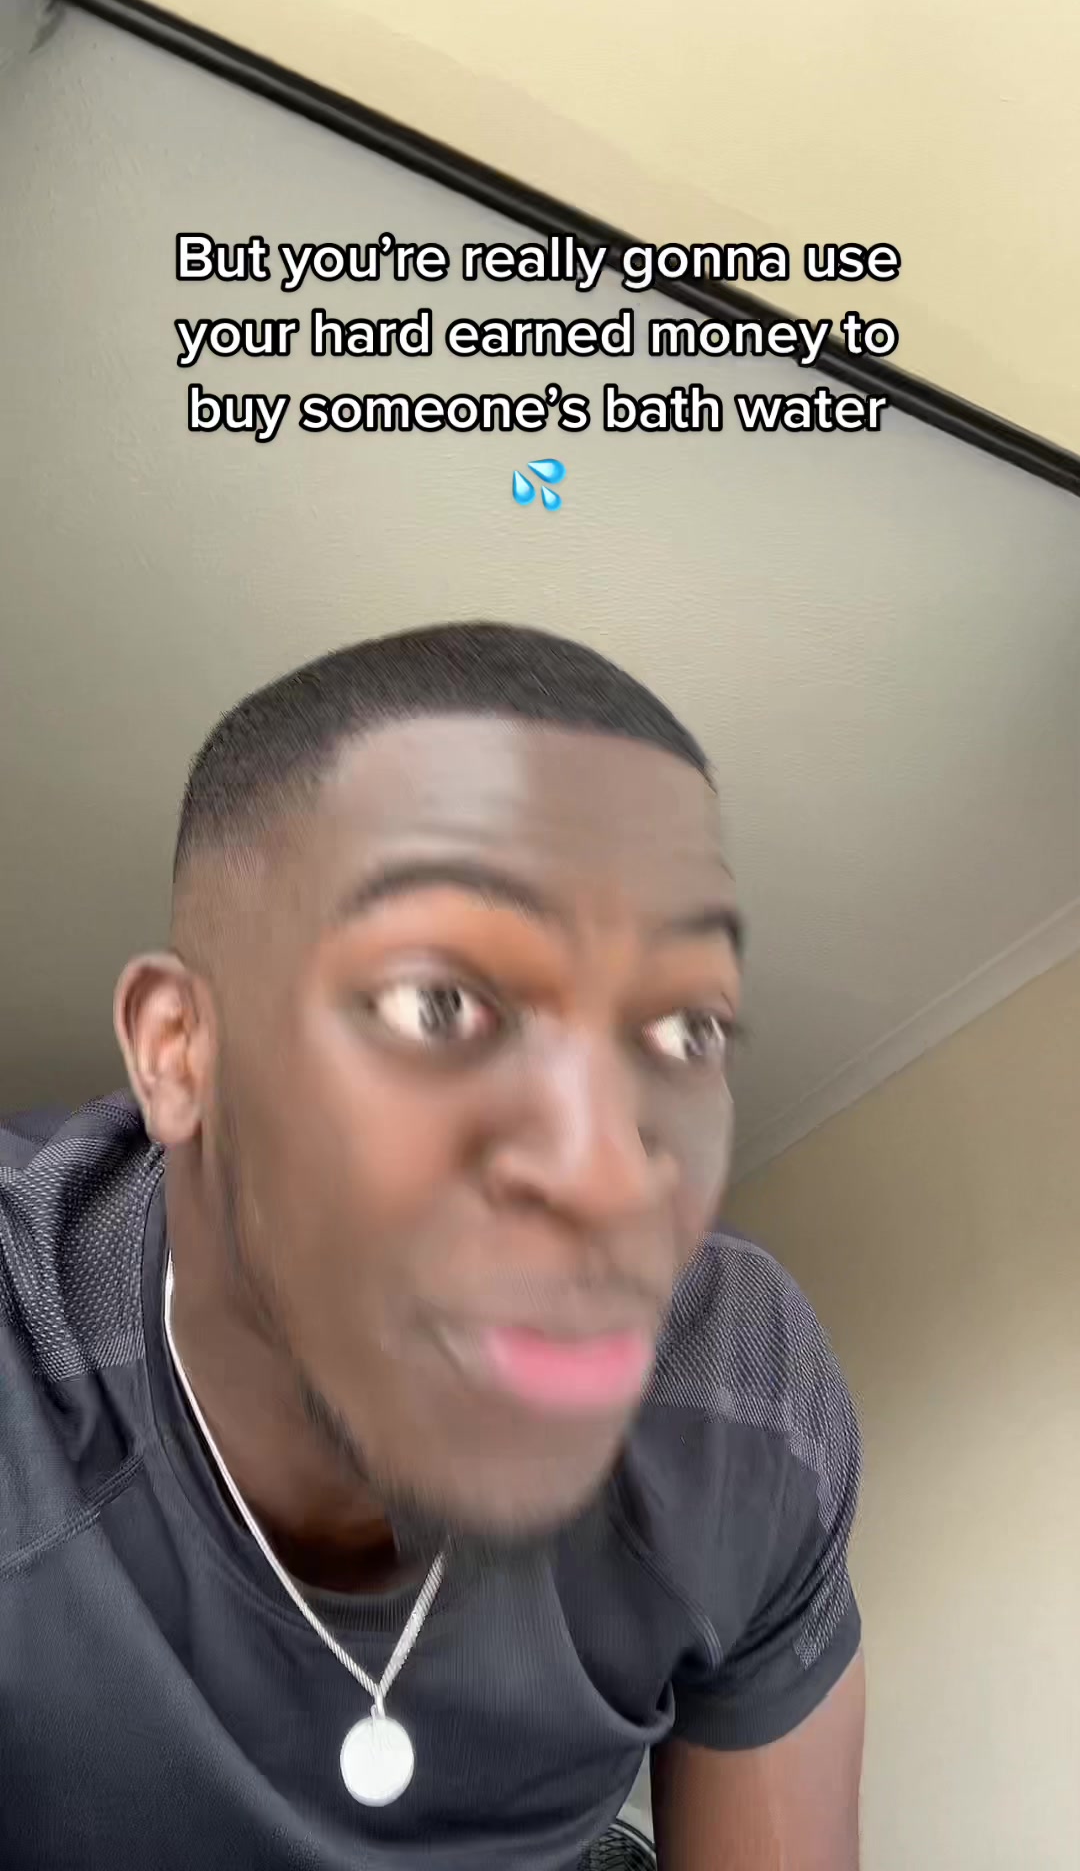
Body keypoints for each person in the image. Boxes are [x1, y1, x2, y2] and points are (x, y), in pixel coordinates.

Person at [0, 621, 865, 1869]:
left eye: (687, 1031)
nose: (611, 1172)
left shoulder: (737, 1402)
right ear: (179, 1052)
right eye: (439, 1003)